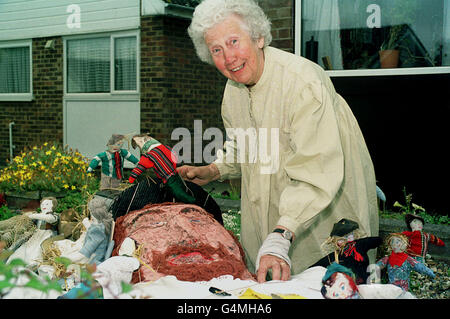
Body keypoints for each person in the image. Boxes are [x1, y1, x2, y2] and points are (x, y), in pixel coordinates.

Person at [181, 0, 378, 282]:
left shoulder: (303, 82)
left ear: (259, 37)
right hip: (275, 234)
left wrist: (282, 232)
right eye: (217, 50)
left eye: (234, 41)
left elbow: (316, 170)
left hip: (326, 227)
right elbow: (244, 146)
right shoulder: (233, 91)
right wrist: (213, 170)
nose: (228, 57)